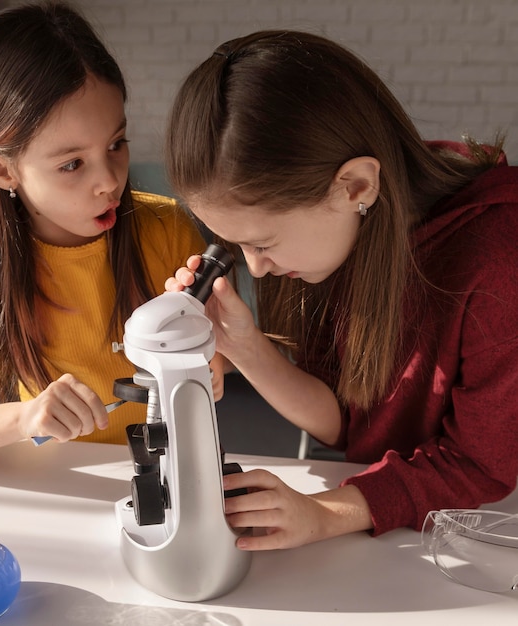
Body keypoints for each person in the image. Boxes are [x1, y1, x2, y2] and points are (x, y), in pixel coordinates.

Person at [164, 30, 518, 550]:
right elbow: (347, 425)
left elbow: (480, 466)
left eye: (263, 243)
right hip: (409, 525)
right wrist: (242, 344)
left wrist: (327, 513)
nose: (256, 271)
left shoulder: (498, 261)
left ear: (355, 185)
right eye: (239, 248)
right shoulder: (353, 233)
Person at [0, 2, 206, 463]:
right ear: (1, 170)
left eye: (116, 144)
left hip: (172, 471)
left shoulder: (170, 232)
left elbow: (213, 370)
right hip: (66, 486)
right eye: (72, 164)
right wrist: (25, 416)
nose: (110, 181)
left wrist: (211, 368)